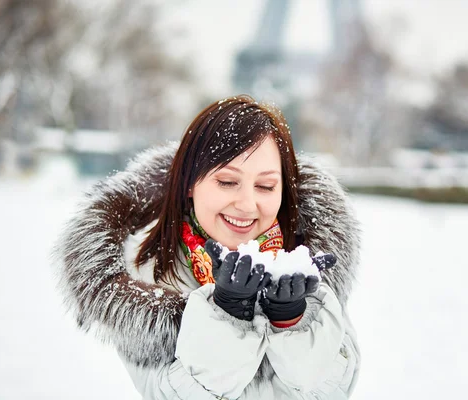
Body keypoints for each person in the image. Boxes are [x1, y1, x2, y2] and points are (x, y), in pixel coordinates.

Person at [55, 95, 361, 399]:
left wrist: (292, 319)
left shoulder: (306, 258)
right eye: (227, 182)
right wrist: (226, 313)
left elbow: (334, 388)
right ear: (189, 183)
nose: (246, 204)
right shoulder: (146, 270)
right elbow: (168, 393)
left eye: (265, 186)